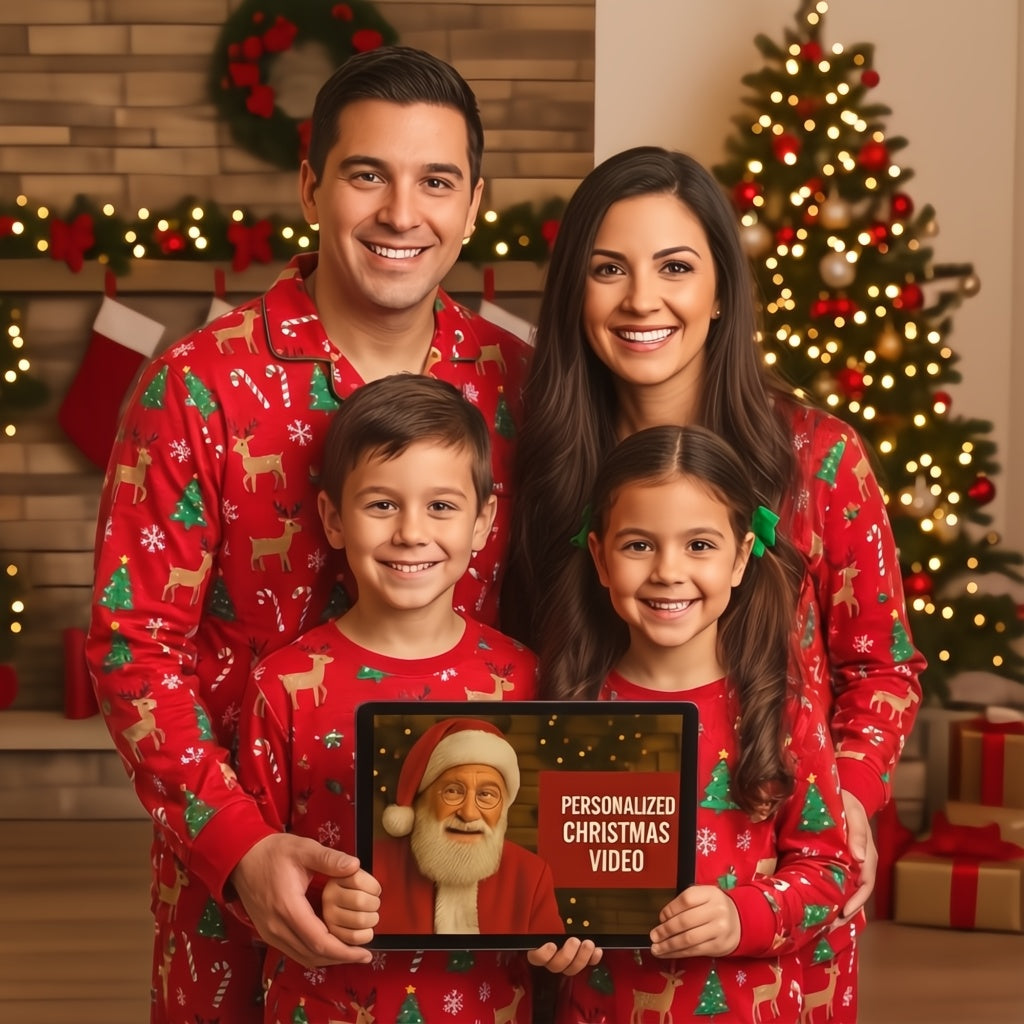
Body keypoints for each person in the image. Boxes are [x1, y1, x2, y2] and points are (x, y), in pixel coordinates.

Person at [86, 46, 534, 1023]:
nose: (401, 212)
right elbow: (132, 647)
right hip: (243, 905)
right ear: (311, 186)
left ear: (472, 203)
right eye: (367, 174)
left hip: (472, 912)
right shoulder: (196, 388)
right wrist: (238, 849)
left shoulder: (523, 388)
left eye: (436, 182)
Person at [501, 147, 925, 1016]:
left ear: (722, 291)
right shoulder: (537, 470)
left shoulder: (819, 460)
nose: (641, 300)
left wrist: (845, 795)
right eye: (607, 269)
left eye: (676, 267)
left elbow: (883, 667)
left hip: (774, 927)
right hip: (599, 944)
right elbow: (512, 679)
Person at [235, 375, 591, 1022]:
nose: (410, 532)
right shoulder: (283, 685)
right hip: (323, 1008)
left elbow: (550, 875)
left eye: (442, 507)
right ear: (333, 520)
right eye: (380, 506)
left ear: (483, 522)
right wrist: (320, 899)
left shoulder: (527, 679)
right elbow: (262, 868)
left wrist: (562, 935)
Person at [545, 424, 853, 1021]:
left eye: (699, 546)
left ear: (740, 558)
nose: (667, 571)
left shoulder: (782, 707)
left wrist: (745, 915)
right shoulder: (570, 705)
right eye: (638, 545)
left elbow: (830, 869)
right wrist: (545, 935)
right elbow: (538, 877)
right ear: (600, 558)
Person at [374, 716, 565, 935]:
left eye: (486, 795)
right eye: (453, 791)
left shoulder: (531, 874)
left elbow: (553, 965)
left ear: (503, 808)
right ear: (422, 799)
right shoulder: (374, 865)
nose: (469, 814)